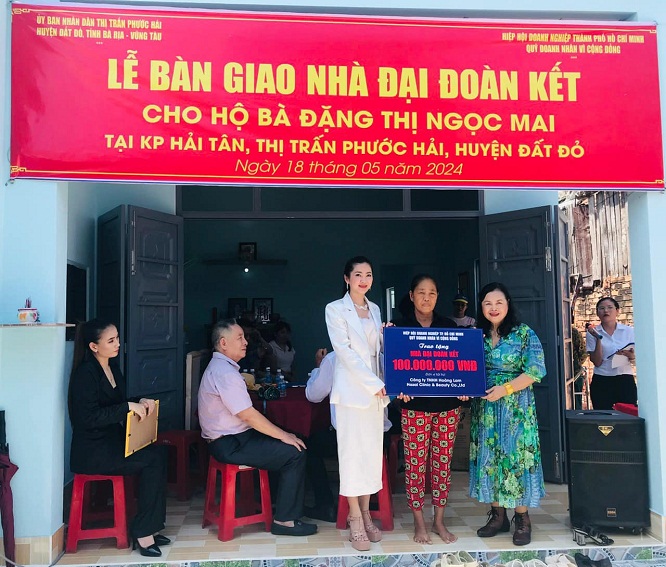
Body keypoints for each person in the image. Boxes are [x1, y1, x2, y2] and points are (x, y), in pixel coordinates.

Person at [197, 318, 317, 536]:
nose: (245, 342)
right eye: (239, 338)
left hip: (234, 438)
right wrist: (284, 436)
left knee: (296, 439)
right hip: (230, 443)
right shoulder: (225, 373)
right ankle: (284, 520)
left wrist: (285, 434)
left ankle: (280, 505)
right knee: (294, 452)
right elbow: (248, 416)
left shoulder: (222, 368)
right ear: (223, 343)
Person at [68, 320, 169, 557]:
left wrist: (139, 401)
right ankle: (143, 533)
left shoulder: (112, 367)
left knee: (159, 454)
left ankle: (151, 526)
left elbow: (117, 403)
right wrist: (126, 407)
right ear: (94, 346)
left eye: (117, 338)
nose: (118, 344)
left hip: (112, 443)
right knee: (151, 461)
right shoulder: (85, 374)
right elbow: (88, 417)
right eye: (111, 340)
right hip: (93, 451)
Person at [469, 282, 546, 546]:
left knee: (516, 458)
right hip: (486, 409)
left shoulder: (523, 333)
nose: (493, 308)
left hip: (516, 409)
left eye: (498, 303)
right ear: (481, 307)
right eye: (488, 303)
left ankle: (522, 518)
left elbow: (536, 371)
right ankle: (497, 516)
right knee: (490, 458)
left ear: (508, 304)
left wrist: (506, 389)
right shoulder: (475, 336)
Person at [392, 274, 463, 544]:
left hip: (448, 407)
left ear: (437, 297)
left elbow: (460, 364)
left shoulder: (448, 326)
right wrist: (399, 388)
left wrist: (464, 386)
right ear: (411, 296)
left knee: (442, 464)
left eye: (432, 293)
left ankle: (439, 521)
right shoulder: (400, 327)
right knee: (415, 465)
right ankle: (419, 522)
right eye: (421, 292)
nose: (426, 298)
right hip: (415, 407)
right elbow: (394, 367)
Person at [325, 255, 389, 551]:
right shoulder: (335, 309)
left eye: (369, 274)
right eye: (358, 274)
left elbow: (377, 351)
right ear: (347, 278)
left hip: (376, 396)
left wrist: (387, 336)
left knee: (371, 456)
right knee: (351, 456)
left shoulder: (375, 309)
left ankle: (366, 512)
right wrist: (374, 384)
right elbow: (346, 352)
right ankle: (354, 517)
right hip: (352, 393)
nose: (364, 280)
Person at [304, 348, 394, 523]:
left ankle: (325, 505)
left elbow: (313, 395)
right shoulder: (380, 358)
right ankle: (372, 502)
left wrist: (318, 367)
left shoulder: (333, 359)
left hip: (348, 439)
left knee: (309, 447)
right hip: (380, 437)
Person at [586, 296, 637, 409]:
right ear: (597, 313)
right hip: (602, 379)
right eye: (602, 308)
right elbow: (597, 362)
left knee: (627, 414)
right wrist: (598, 338)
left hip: (624, 379)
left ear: (617, 311)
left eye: (610, 307)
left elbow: (637, 358)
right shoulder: (593, 333)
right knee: (604, 416)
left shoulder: (629, 331)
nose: (606, 311)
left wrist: (631, 355)